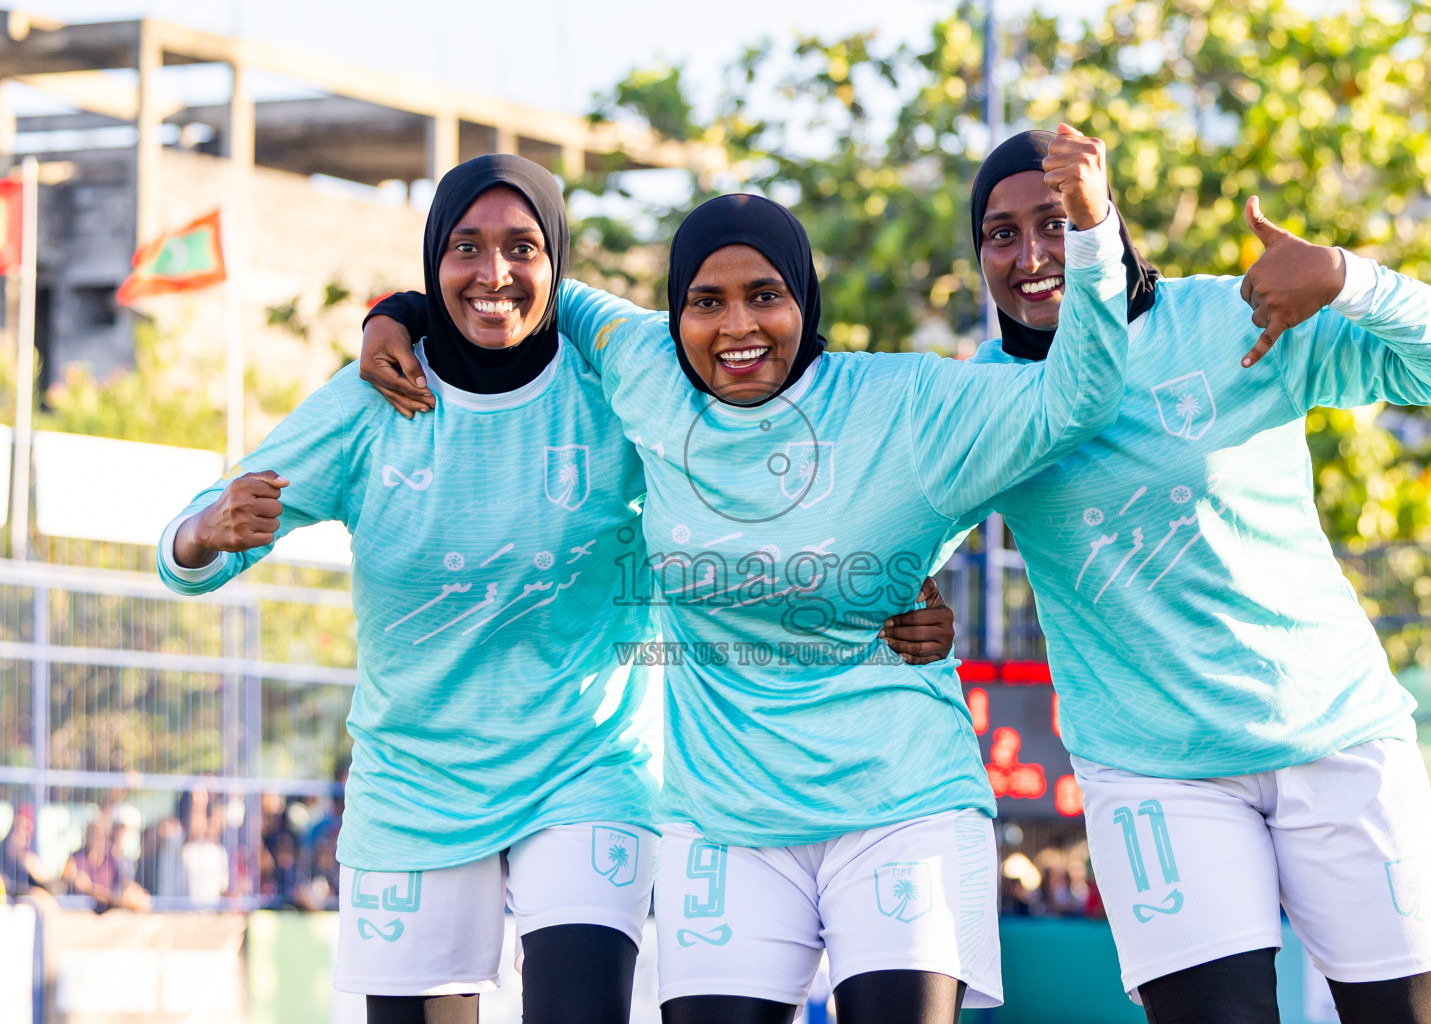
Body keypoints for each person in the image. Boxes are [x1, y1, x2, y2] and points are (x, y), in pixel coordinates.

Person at [358, 124, 1130, 1023]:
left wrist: (1094, 233)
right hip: (723, 823)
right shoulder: (643, 365)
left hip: (898, 807)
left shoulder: (907, 402)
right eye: (706, 301)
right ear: (674, 312)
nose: (736, 327)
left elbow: (1080, 396)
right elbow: (517, 288)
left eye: (765, 296)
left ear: (804, 296)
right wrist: (397, 313)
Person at [159, 154, 951, 1024]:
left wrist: (894, 579)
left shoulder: (617, 384)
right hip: (415, 781)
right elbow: (193, 543)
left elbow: (759, 479)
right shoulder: (375, 398)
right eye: (465, 248)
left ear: (557, 260)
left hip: (590, 766)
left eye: (522, 247)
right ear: (433, 258)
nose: (494, 273)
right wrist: (204, 535)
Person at [966, 128, 1431, 1023]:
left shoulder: (1230, 318)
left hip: (1336, 735)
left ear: (1104, 220)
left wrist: (1345, 276)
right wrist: (907, 592)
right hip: (1154, 775)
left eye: (1056, 222)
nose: (1030, 256)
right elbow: (892, 526)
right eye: (1000, 233)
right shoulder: (981, 400)